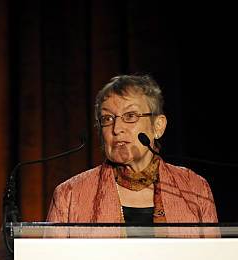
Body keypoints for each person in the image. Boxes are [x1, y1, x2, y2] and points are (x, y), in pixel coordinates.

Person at [47, 74, 217, 224]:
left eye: (130, 116)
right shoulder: (69, 194)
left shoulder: (194, 188)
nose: (116, 128)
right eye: (107, 118)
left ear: (158, 126)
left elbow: (213, 258)